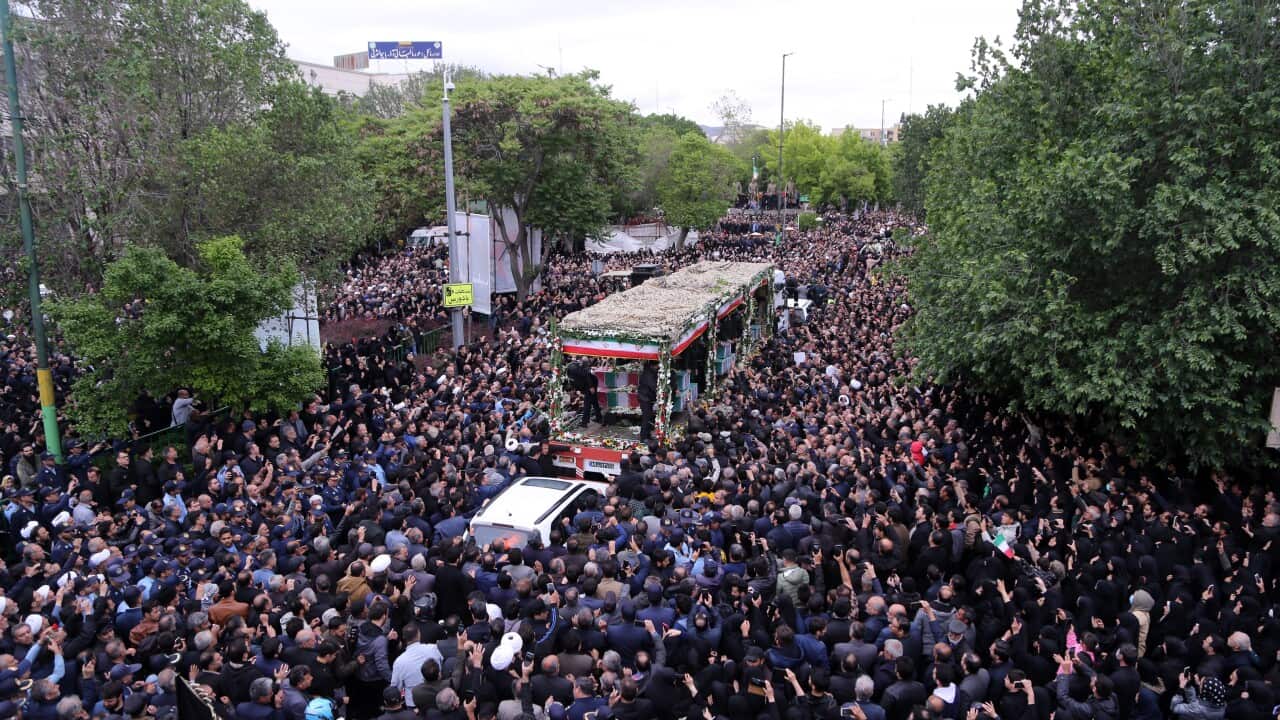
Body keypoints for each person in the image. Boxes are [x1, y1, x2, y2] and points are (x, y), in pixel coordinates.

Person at [565, 360, 601, 427]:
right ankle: (599, 418)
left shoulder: (572, 368)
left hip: (590, 383)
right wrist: (578, 390)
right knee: (594, 401)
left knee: (587, 403)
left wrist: (591, 386)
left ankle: (584, 422)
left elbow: (586, 374)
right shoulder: (568, 371)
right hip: (586, 385)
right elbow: (574, 381)